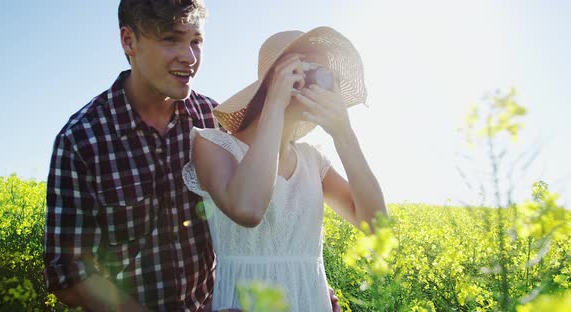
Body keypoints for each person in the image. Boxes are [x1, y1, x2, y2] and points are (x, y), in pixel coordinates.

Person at [182, 27, 387, 312]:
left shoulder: (311, 160)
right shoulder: (213, 145)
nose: (317, 81)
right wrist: (275, 103)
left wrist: (344, 134)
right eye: (306, 69)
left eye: (325, 75)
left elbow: (375, 225)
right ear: (272, 79)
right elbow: (248, 209)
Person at [43, 1, 218, 310]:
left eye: (196, 41)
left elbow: (258, 219)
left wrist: (302, 281)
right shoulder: (81, 140)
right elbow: (69, 271)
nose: (189, 57)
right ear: (129, 41)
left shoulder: (214, 120)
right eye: (170, 39)